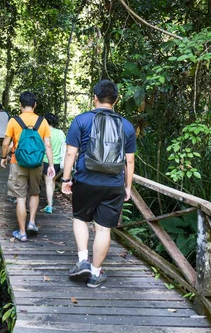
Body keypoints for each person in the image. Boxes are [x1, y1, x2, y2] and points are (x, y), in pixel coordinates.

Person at [60, 79, 136, 288]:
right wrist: (127, 187)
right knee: (103, 229)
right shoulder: (126, 126)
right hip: (113, 184)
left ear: (94, 97)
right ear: (116, 100)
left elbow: (70, 152)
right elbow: (129, 160)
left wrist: (66, 179)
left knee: (80, 218)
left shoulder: (81, 120)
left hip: (85, 179)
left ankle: (82, 260)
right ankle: (94, 273)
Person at [0, 91, 55, 242]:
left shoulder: (14, 121)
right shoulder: (42, 122)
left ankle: (22, 232)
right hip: (37, 163)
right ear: (35, 105)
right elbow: (48, 145)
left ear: (20, 105)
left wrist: (3, 158)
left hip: (18, 162)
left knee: (20, 197)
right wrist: (50, 165)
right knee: (35, 193)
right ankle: (32, 222)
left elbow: (6, 143)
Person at [42, 113, 66, 214]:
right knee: (52, 182)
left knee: (48, 183)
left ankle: (49, 206)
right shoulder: (60, 133)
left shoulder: (45, 132)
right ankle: (50, 200)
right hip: (57, 162)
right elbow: (64, 146)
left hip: (47, 161)